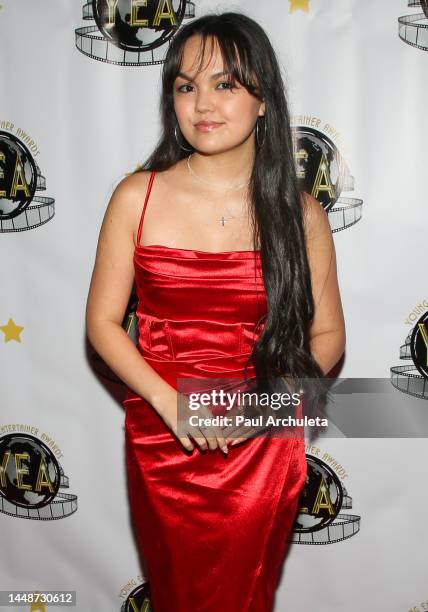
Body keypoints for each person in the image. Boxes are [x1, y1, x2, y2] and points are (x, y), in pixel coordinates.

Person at [85, 10, 346, 612]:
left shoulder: (301, 213)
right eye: (186, 84)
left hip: (261, 438)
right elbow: (101, 324)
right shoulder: (137, 196)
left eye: (225, 83)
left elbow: (327, 336)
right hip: (163, 432)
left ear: (263, 102)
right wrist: (171, 402)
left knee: (243, 594)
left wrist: (263, 408)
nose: (202, 102)